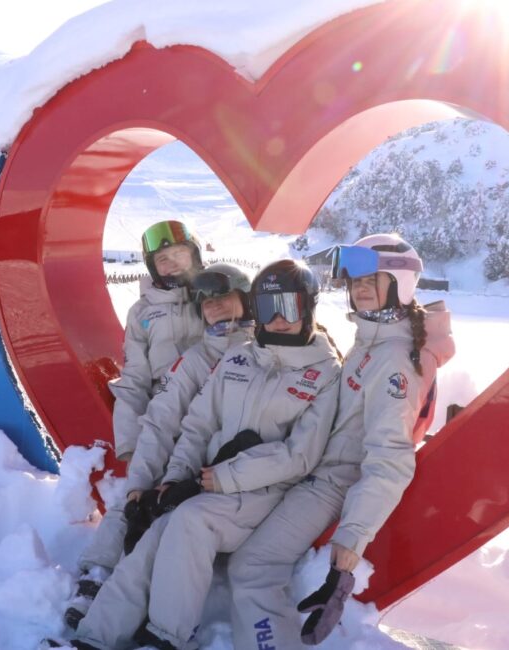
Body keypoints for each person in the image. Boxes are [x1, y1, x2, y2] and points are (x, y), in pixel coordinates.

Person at [66, 259, 344, 650]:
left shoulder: (326, 374)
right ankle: (94, 637)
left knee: (191, 520)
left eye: (289, 308)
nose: (279, 320)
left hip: (266, 494)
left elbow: (299, 455)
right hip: (211, 485)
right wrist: (175, 478)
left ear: (309, 309)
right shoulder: (239, 359)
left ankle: (166, 637)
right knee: (157, 533)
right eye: (269, 308)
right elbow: (197, 424)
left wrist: (218, 479)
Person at [226, 234, 456, 648]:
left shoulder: (394, 360)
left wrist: (351, 540)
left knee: (252, 567)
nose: (359, 287)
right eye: (353, 281)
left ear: (400, 283)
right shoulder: (374, 341)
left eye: (372, 278)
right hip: (314, 470)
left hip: (331, 485)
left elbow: (390, 457)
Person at [65, 263, 255, 629]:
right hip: (192, 463)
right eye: (206, 302)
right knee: (142, 501)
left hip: (240, 473)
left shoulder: (265, 349)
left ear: (245, 300)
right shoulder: (198, 358)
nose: (214, 306)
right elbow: (161, 420)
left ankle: (140, 607)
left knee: (169, 526)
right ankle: (101, 573)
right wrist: (139, 483)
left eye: (224, 297)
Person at [71, 220, 206, 602]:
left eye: (180, 254)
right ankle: (97, 573)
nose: (173, 264)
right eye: (163, 260)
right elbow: (133, 381)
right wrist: (131, 441)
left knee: (175, 503)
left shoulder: (215, 295)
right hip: (162, 417)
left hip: (211, 416)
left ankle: (151, 588)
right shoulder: (142, 313)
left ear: (195, 255)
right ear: (152, 267)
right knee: (136, 491)